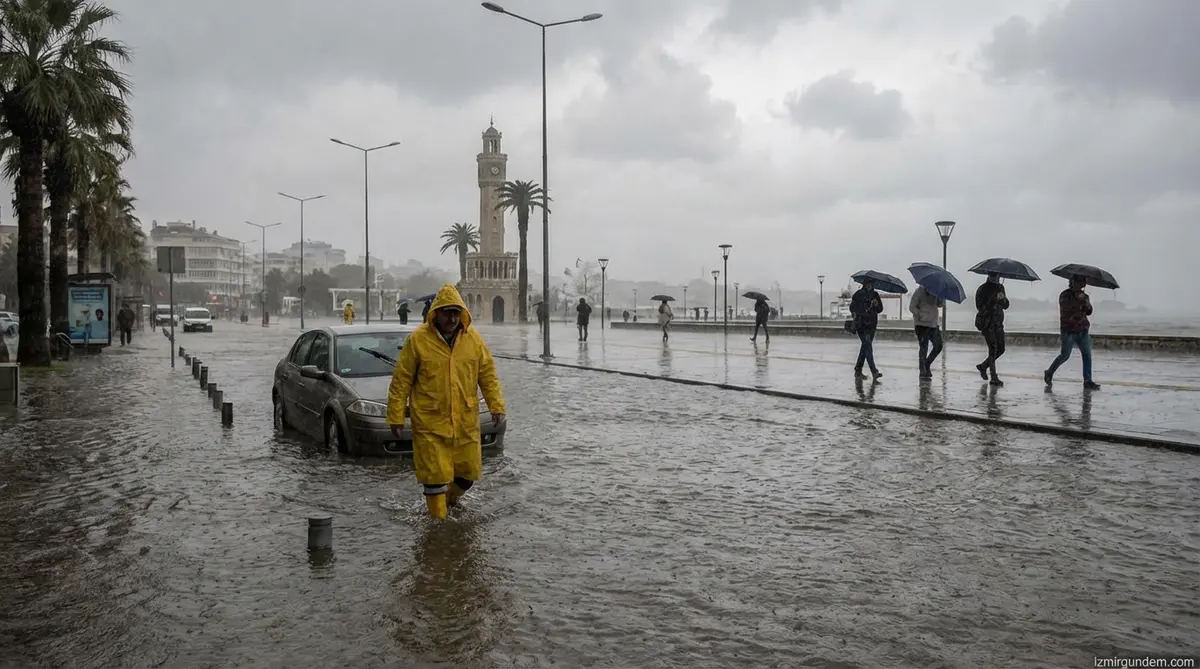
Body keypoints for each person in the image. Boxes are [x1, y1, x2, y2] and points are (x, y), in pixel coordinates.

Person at [385, 285, 506, 520]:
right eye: (447, 312)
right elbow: (402, 380)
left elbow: (488, 375)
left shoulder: (473, 339)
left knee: (468, 474)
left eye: (456, 312)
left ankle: (450, 503)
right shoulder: (418, 340)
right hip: (430, 422)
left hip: (465, 421)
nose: (452, 318)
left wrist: (496, 406)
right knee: (435, 477)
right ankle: (438, 529)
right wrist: (396, 415)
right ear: (436, 313)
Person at [1045, 275, 1102, 390]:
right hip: (1069, 330)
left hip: (1083, 330)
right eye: (1079, 282)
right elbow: (1066, 309)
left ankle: (1088, 381)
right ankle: (1049, 372)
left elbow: (1089, 311)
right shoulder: (1065, 295)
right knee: (1065, 355)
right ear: (1072, 282)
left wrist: (1087, 304)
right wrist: (1078, 300)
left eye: (1083, 283)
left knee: (1087, 355)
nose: (1081, 285)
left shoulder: (1085, 296)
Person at [974, 272, 1009, 385]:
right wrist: (993, 300)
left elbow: (1006, 305)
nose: (996, 278)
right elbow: (980, 307)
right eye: (994, 276)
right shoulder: (982, 289)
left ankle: (983, 366)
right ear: (989, 276)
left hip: (998, 323)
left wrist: (1003, 300)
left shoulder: (1001, 287)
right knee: (993, 349)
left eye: (998, 276)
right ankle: (994, 377)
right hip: (987, 324)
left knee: (1001, 349)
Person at [849, 280, 884, 380]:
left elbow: (880, 309)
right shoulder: (858, 294)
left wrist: (876, 304)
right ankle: (874, 371)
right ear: (864, 284)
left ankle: (858, 370)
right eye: (868, 284)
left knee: (865, 347)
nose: (870, 286)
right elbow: (852, 308)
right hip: (861, 325)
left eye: (871, 284)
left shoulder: (875, 294)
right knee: (867, 345)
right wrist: (863, 309)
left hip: (872, 324)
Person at [909, 285, 944, 378]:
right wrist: (920, 314)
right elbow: (912, 306)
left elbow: (939, 305)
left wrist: (941, 298)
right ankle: (922, 369)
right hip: (921, 324)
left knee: (938, 346)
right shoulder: (919, 291)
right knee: (924, 347)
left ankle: (927, 363)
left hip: (933, 324)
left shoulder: (936, 291)